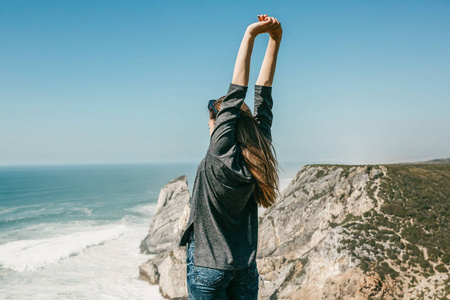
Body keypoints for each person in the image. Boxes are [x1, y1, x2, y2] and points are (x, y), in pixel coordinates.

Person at [178, 14, 283, 299]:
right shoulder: (258, 155)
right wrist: (275, 40)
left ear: (219, 123)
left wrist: (250, 35)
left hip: (207, 268)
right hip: (244, 268)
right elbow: (263, 97)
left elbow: (237, 92)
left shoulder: (219, 153)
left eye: (213, 120)